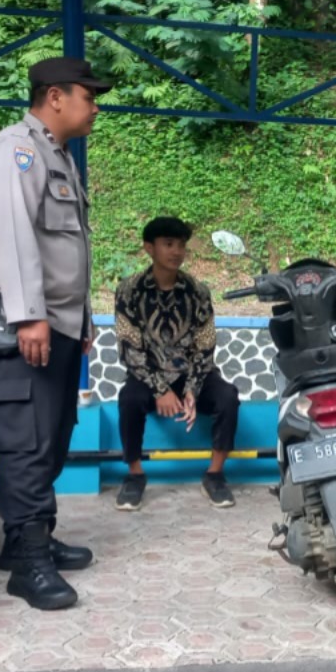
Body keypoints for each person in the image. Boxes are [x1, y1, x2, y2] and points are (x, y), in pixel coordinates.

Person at [0, 56, 110, 611]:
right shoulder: (15, 151)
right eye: (88, 97)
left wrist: (80, 321)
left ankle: (27, 540)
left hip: (56, 322)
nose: (94, 108)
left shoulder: (58, 156)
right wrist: (28, 315)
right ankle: (28, 565)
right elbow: (14, 234)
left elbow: (67, 249)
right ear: (55, 97)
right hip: (19, 321)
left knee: (50, 435)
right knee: (25, 440)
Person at [112, 217, 241, 511]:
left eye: (181, 245)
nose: (176, 252)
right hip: (148, 374)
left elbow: (205, 345)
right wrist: (161, 390)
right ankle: (135, 475)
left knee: (227, 396)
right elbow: (130, 349)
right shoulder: (129, 290)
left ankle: (215, 474)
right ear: (149, 248)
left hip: (191, 374)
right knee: (129, 398)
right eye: (168, 244)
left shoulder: (198, 291)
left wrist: (192, 389)